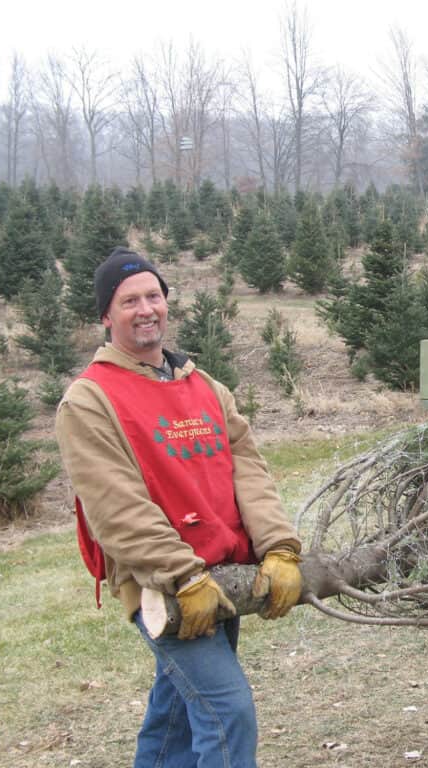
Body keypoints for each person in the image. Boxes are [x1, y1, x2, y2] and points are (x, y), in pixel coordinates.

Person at [56, 247, 303, 768]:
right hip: (165, 587)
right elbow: (115, 506)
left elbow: (248, 470)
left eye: (153, 296)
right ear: (105, 316)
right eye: (128, 301)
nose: (146, 309)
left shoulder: (203, 384)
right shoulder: (90, 400)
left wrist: (279, 547)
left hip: (227, 573)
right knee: (226, 711)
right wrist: (182, 576)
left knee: (173, 718)